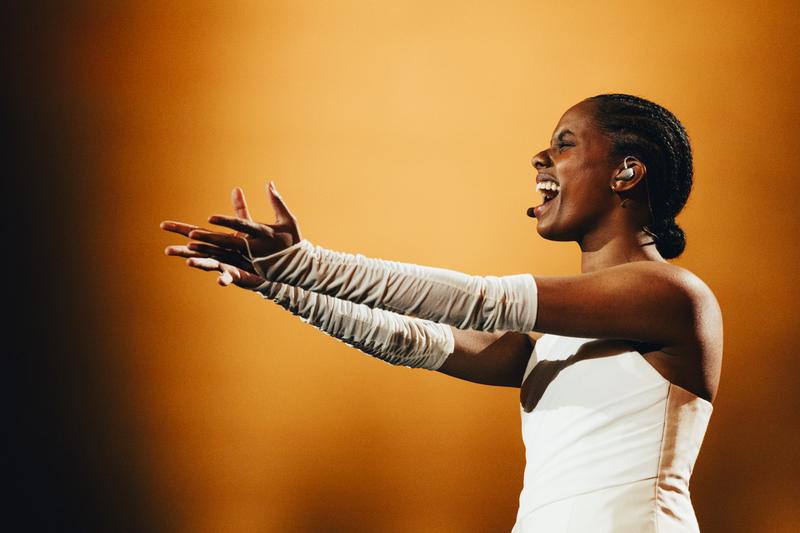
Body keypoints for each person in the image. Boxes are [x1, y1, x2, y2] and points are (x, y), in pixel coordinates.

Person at [161, 93, 722, 532]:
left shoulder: (670, 295)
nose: (540, 157)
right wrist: (281, 285)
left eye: (565, 144)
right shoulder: (552, 347)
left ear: (626, 172)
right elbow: (411, 340)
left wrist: (303, 262)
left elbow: (481, 301)